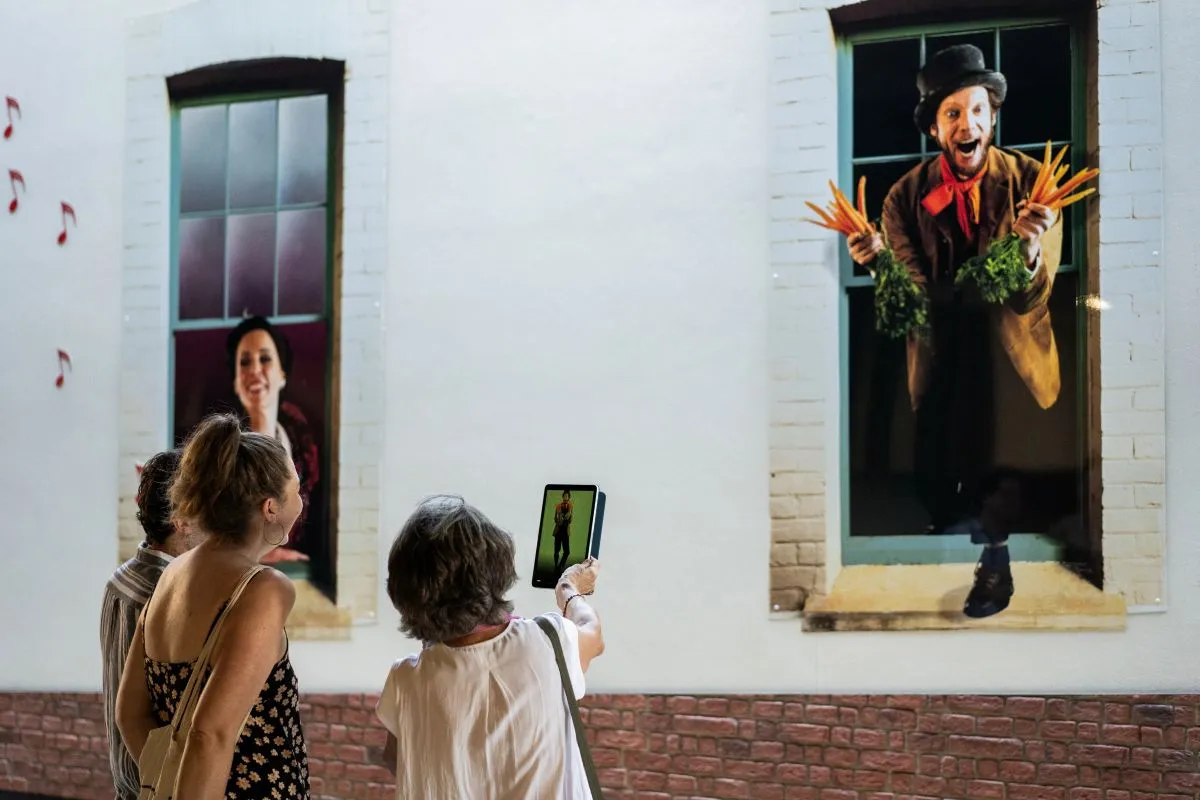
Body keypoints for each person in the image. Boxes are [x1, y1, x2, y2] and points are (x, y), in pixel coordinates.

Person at [847, 44, 1062, 618]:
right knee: (938, 471)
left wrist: (1030, 246)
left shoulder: (1034, 183)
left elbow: (1032, 294)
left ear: (992, 118)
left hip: (1008, 347)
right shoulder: (903, 197)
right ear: (936, 128)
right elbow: (908, 301)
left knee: (1004, 470)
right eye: (951, 114)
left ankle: (995, 567)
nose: (965, 124)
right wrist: (880, 266)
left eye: (975, 111)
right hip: (942, 345)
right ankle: (970, 550)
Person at [115, 412, 310, 799]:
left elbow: (130, 714)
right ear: (270, 507)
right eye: (296, 490)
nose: (301, 501)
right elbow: (209, 735)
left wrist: (169, 782)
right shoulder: (263, 589)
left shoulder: (170, 576)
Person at [375, 495, 605, 799]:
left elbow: (396, 760)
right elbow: (593, 633)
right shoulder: (548, 640)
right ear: (495, 570)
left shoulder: (405, 679)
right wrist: (569, 589)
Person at [100, 450, 193, 800]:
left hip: (131, 778)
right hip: (154, 783)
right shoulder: (164, 594)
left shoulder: (121, 578)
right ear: (183, 517)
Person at [226, 315, 320, 565]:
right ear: (236, 382)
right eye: (244, 362)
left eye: (265, 359)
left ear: (282, 373)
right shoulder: (224, 454)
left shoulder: (304, 447)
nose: (254, 370)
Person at [552, 489, 573, 574]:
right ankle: (556, 566)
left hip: (565, 530)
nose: (565, 497)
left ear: (569, 497)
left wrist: (568, 518)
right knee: (557, 550)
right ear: (562, 496)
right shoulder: (558, 506)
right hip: (558, 530)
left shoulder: (571, 506)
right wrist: (558, 519)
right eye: (564, 496)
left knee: (567, 551)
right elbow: (555, 518)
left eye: (567, 496)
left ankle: (561, 565)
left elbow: (571, 518)